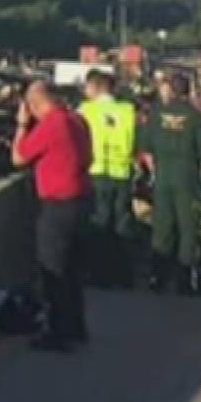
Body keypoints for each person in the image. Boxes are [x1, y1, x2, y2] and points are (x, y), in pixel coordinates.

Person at [13, 80, 92, 351]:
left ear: (34, 105)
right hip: (81, 200)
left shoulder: (51, 125)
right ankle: (76, 326)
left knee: (53, 269)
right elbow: (88, 157)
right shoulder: (77, 120)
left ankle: (59, 331)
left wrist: (22, 126)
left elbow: (19, 157)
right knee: (72, 269)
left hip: (58, 203)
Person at [140, 72, 201, 295]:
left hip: (163, 177)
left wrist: (156, 172)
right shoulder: (196, 117)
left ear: (171, 90)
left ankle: (159, 277)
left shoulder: (156, 115)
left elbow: (147, 152)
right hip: (188, 177)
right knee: (188, 228)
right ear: (189, 90)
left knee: (162, 227)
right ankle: (185, 281)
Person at [77, 70, 140, 288]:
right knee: (122, 222)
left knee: (98, 223)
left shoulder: (86, 110)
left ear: (95, 88)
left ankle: (99, 274)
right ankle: (123, 274)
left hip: (96, 171)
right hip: (122, 173)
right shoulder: (128, 110)